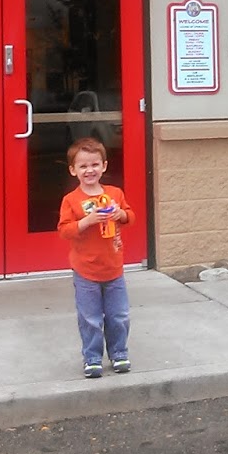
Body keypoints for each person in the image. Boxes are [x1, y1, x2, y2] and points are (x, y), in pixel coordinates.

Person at [57, 138, 135, 380]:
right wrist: (87, 221)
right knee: (90, 318)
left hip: (114, 268)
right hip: (86, 270)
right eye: (83, 166)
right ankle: (92, 358)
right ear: (73, 170)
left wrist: (120, 214)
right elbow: (64, 230)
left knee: (119, 315)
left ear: (104, 166)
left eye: (94, 164)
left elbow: (130, 216)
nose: (89, 170)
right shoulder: (71, 200)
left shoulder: (114, 193)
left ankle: (119, 353)